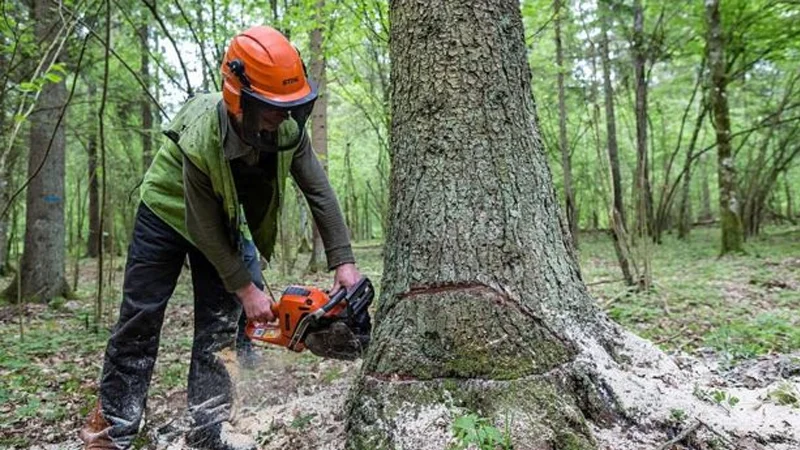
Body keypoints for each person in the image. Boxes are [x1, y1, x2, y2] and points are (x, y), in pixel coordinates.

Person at [78, 25, 361, 450]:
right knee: (141, 317)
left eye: (290, 107)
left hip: (220, 217)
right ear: (240, 101)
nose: (282, 117)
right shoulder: (202, 135)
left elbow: (319, 191)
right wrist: (246, 288)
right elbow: (202, 224)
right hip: (167, 212)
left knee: (219, 326)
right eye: (271, 108)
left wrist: (344, 261)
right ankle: (112, 430)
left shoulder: (285, 129)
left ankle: (207, 430)